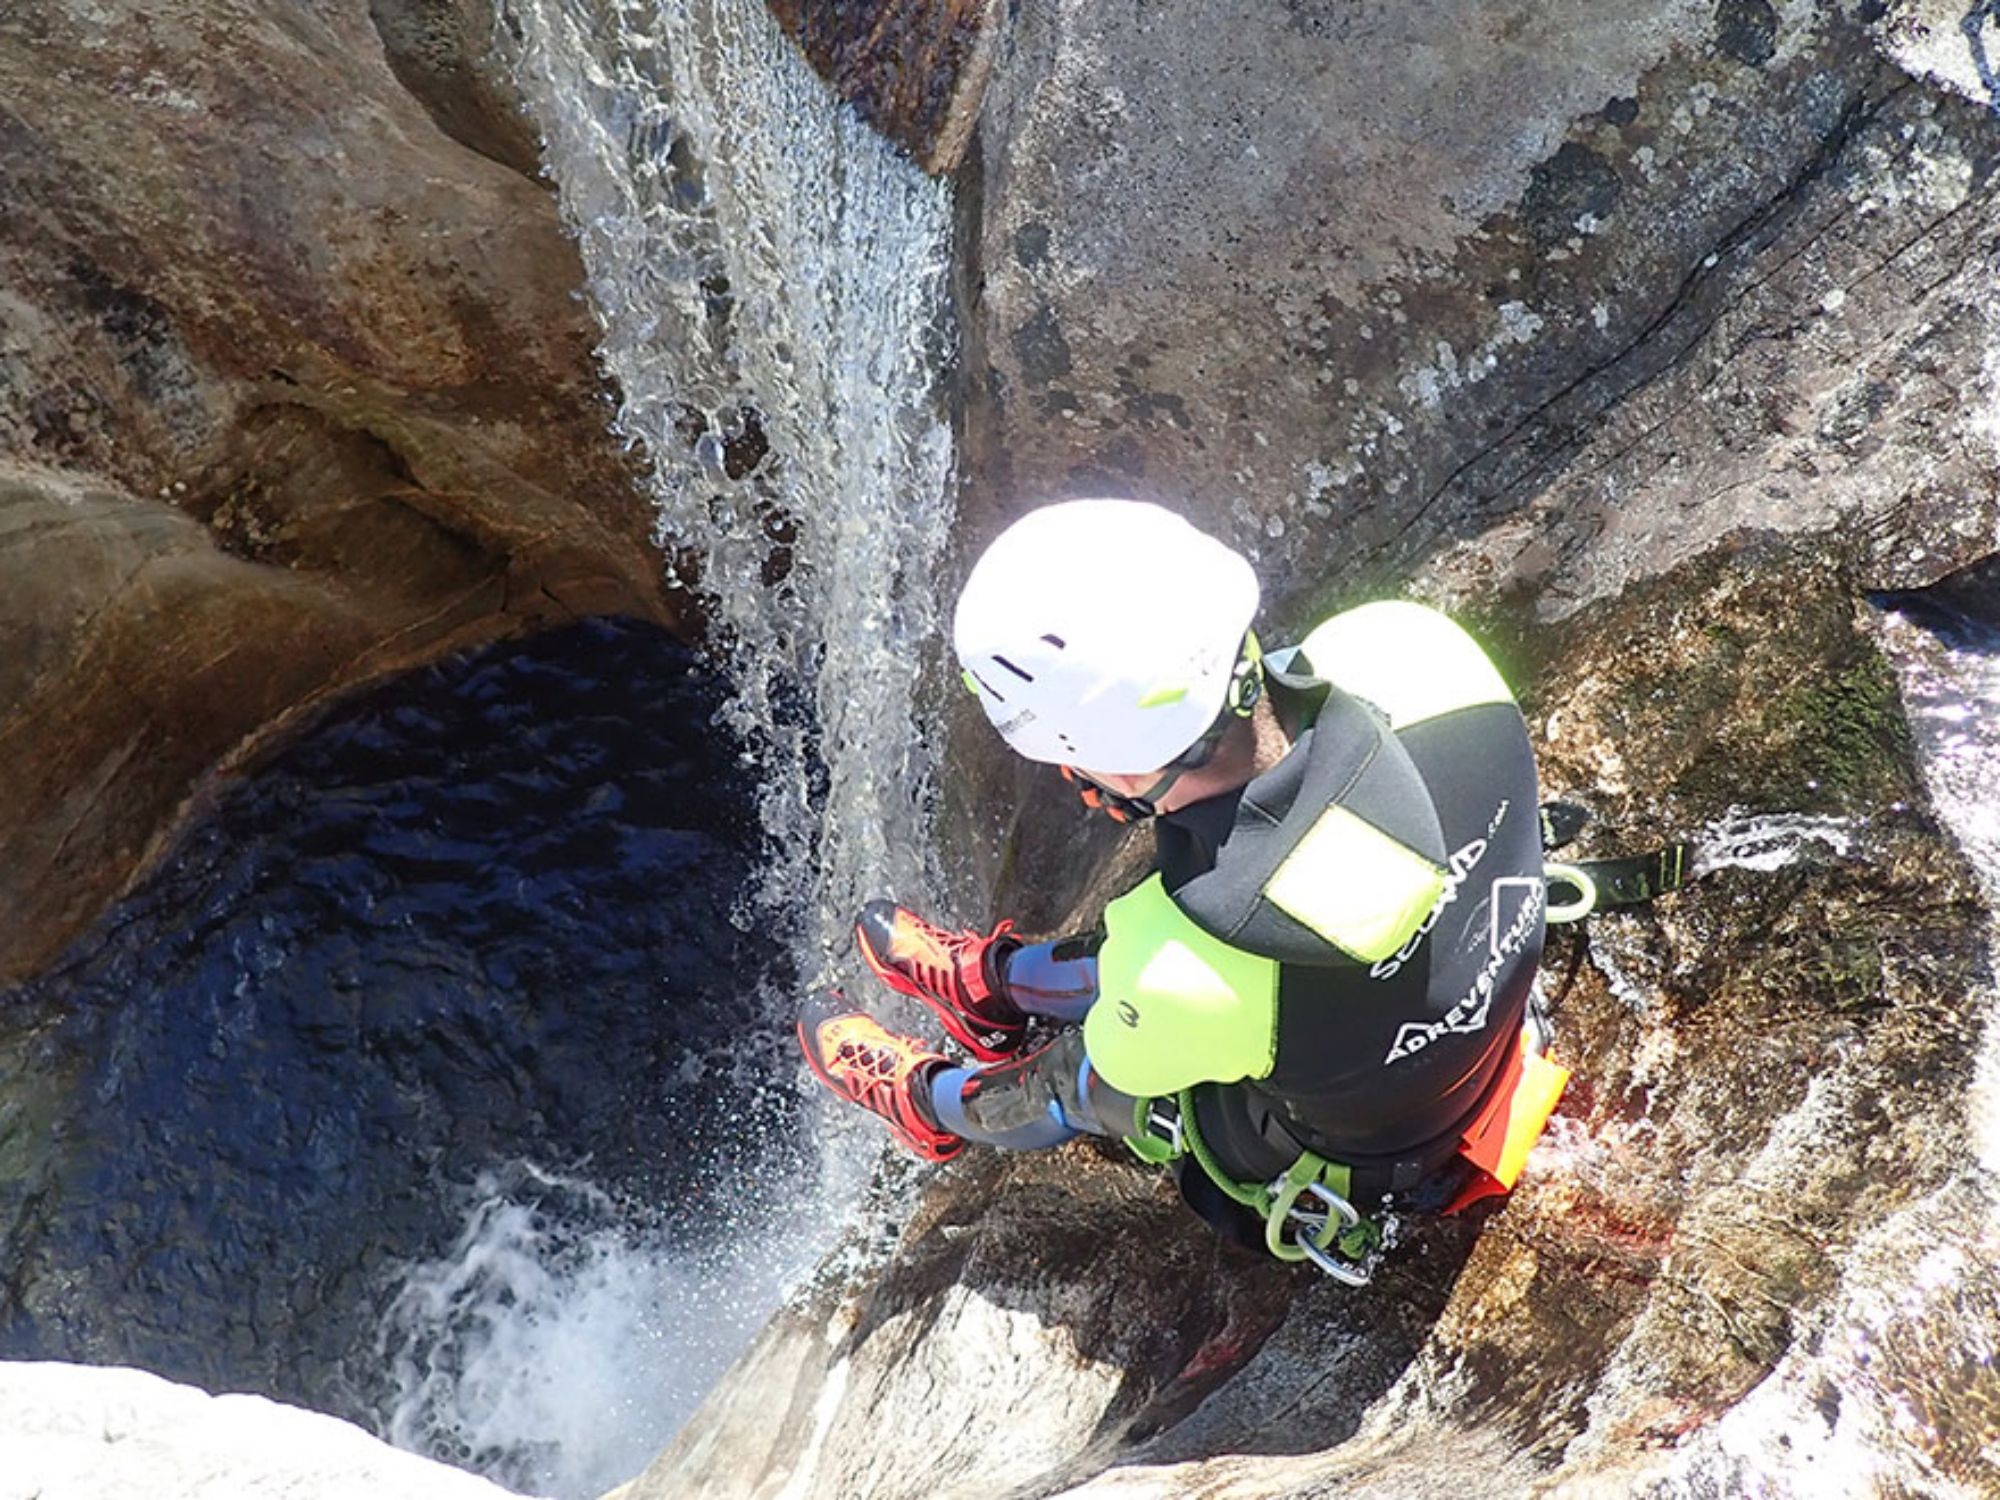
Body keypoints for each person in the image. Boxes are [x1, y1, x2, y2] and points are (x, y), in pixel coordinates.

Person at [797, 498, 1567, 1279]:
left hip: (1373, 1157)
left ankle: (935, 1101)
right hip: (1488, 1006)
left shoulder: (1183, 965)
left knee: (1088, 1079)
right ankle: (996, 988)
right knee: (1187, 963)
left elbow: (1136, 1046)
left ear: (1118, 770)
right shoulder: (1408, 646)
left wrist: (1156, 987)